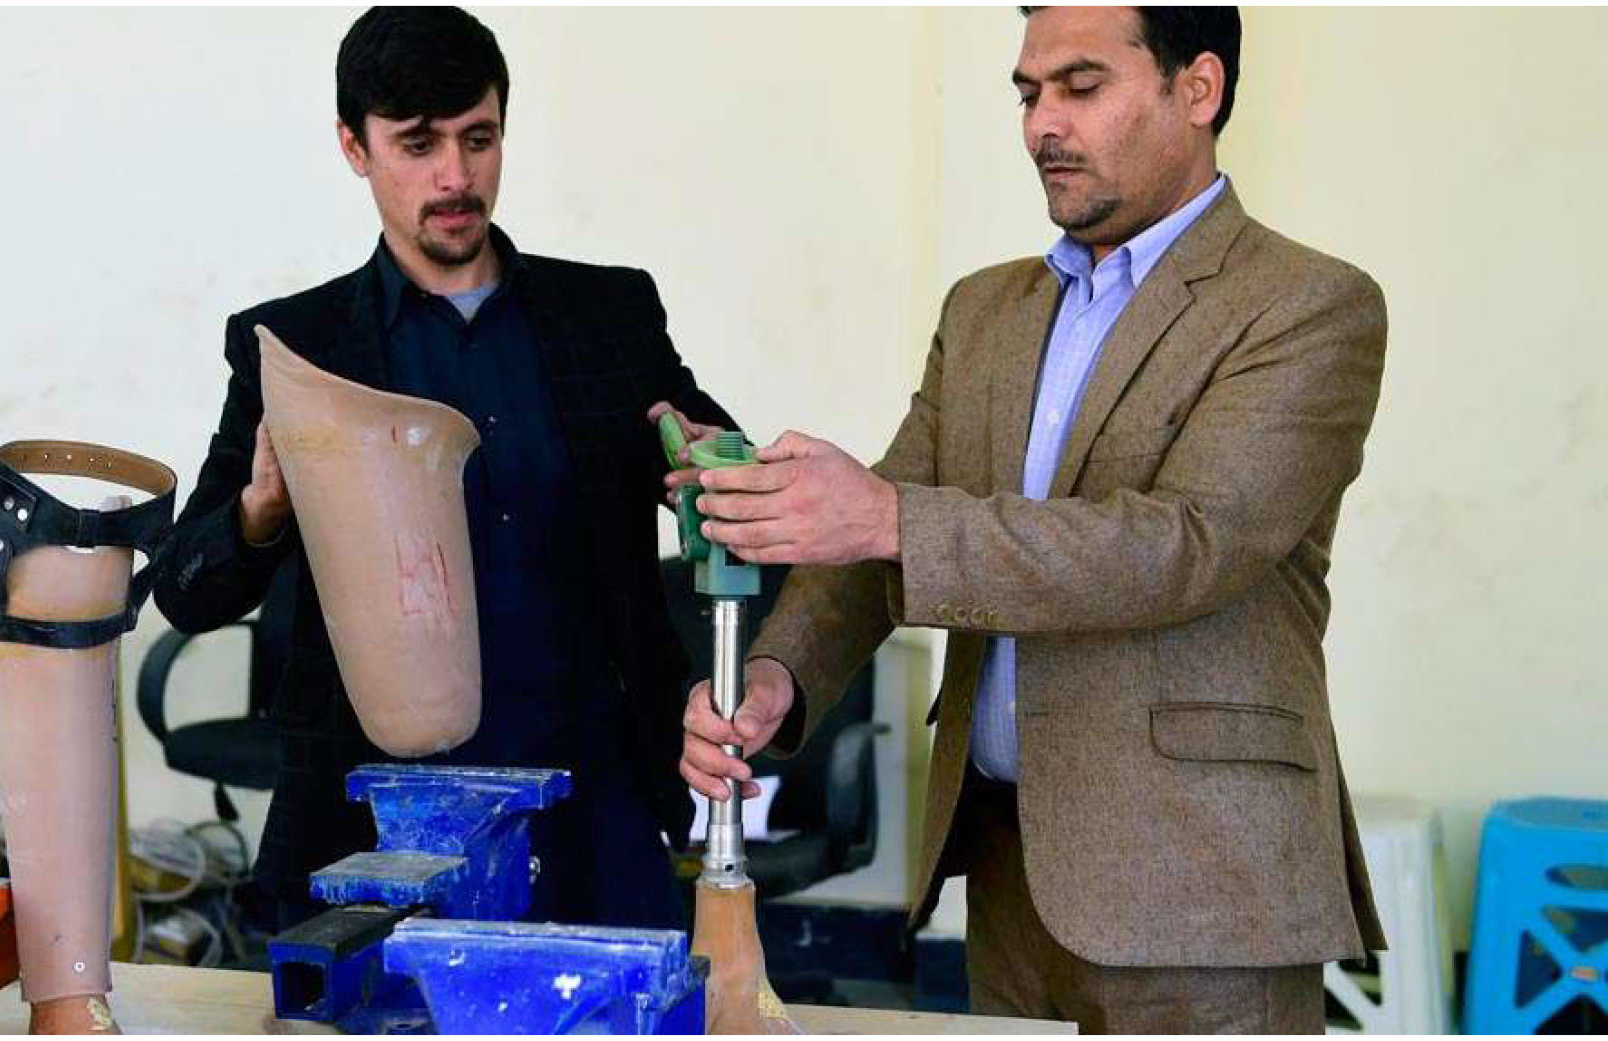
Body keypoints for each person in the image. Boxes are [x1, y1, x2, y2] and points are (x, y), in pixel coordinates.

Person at [678, 7, 1387, 1033]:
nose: (1041, 124)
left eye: (1081, 87)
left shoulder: (1306, 304)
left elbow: (1185, 546)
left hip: (1205, 892)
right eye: (1027, 93)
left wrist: (886, 516)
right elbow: (875, 541)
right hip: (1006, 879)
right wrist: (776, 679)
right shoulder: (982, 311)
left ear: (1197, 88)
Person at [154, 5, 730, 932]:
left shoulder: (608, 315)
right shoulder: (298, 346)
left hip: (593, 795)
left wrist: (716, 471)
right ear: (354, 146)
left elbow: (719, 465)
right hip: (372, 815)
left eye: (478, 138)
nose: (455, 176)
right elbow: (184, 592)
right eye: (418, 144)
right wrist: (259, 510)